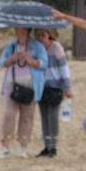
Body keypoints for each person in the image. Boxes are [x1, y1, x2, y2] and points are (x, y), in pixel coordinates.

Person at [0, 27, 46, 159]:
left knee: (26, 117)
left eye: (22, 29)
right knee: (8, 115)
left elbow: (44, 63)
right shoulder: (11, 45)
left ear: (27, 29)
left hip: (30, 86)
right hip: (11, 85)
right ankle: (5, 147)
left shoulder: (37, 46)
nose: (19, 31)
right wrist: (12, 58)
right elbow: (1, 62)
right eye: (17, 28)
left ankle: (23, 148)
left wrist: (31, 60)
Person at [34, 27, 70, 158]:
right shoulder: (37, 49)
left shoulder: (56, 47)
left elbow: (63, 68)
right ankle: (47, 146)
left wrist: (67, 87)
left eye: (42, 35)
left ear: (48, 34)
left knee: (53, 118)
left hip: (55, 87)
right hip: (41, 87)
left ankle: (53, 147)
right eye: (38, 35)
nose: (40, 38)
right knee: (44, 118)